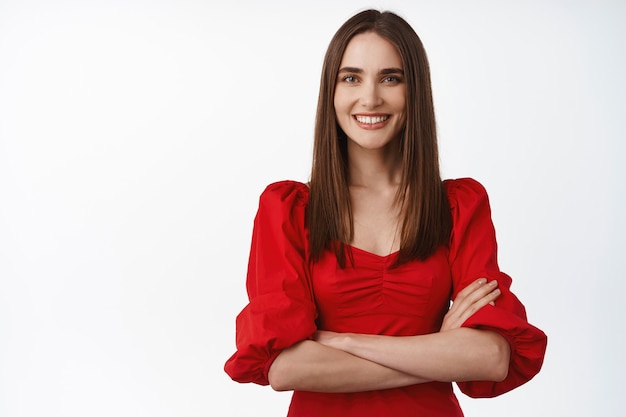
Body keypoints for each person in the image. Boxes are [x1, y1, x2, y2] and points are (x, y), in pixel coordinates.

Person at [224, 9, 547, 417]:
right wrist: (437, 352)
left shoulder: (460, 206)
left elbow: (491, 358)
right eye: (351, 77)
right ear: (332, 91)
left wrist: (344, 342)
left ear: (415, 90)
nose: (370, 97)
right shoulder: (287, 210)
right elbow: (285, 368)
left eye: (390, 78)